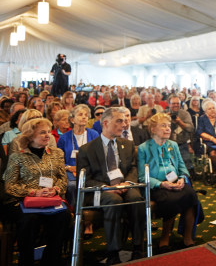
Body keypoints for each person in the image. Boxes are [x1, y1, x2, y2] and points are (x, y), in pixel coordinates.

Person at [76, 107, 145, 264]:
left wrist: (128, 182)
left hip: (124, 185)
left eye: (125, 121)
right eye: (119, 121)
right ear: (105, 123)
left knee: (136, 198)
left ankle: (137, 248)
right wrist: (105, 187)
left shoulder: (127, 145)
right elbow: (86, 179)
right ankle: (113, 252)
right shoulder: (87, 149)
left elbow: (133, 168)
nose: (124, 124)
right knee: (113, 200)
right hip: (100, 190)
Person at [2, 118, 71, 266]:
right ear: (30, 136)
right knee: (29, 220)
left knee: (64, 216)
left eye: (48, 132)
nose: (48, 135)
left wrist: (56, 189)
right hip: (23, 201)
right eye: (42, 133)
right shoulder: (17, 157)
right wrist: (33, 192)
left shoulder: (57, 153)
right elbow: (9, 186)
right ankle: (26, 261)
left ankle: (51, 260)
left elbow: (63, 179)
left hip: (50, 200)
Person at [138, 113, 199, 251]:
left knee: (190, 194)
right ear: (153, 129)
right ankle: (165, 236)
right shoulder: (143, 148)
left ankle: (188, 236)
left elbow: (182, 167)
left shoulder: (173, 145)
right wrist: (162, 184)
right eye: (163, 126)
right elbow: (142, 177)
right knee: (171, 199)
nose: (168, 129)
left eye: (169, 126)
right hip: (157, 186)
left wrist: (182, 178)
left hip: (175, 181)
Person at [57, 104, 99, 210]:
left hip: (90, 171)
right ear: (72, 119)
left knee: (96, 184)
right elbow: (58, 160)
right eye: (80, 115)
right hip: (71, 171)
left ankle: (91, 214)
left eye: (86, 115)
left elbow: (99, 156)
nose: (84, 117)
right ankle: (75, 212)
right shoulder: (64, 138)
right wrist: (68, 167)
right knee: (72, 186)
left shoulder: (94, 134)